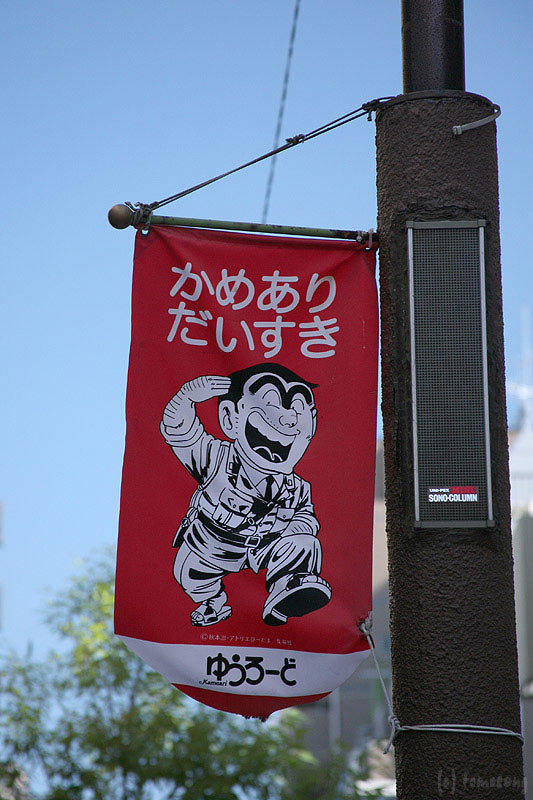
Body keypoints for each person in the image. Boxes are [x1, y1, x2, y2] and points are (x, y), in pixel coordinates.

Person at [160, 362, 331, 627]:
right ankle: (214, 602)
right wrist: (186, 398)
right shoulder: (215, 458)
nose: (287, 419)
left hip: (265, 546)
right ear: (229, 418)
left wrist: (294, 530)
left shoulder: (298, 488)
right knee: (189, 576)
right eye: (270, 403)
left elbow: (306, 517)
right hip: (212, 543)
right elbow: (180, 433)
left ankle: (286, 588)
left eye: (298, 409)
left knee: (305, 543)